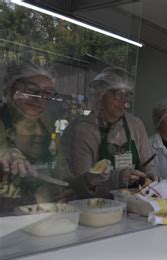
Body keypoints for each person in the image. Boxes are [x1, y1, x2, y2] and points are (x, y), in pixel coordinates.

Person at [0, 62, 107, 213]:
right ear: (10, 90)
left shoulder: (47, 127)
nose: (39, 98)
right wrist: (34, 200)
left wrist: (86, 181)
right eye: (31, 90)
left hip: (45, 222)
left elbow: (62, 179)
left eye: (47, 93)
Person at [62, 67, 158, 197]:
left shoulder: (135, 124)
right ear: (101, 94)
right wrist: (117, 179)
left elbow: (148, 163)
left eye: (127, 95)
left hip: (132, 204)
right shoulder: (83, 129)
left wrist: (151, 174)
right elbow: (82, 184)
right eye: (118, 94)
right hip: (95, 207)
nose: (124, 101)